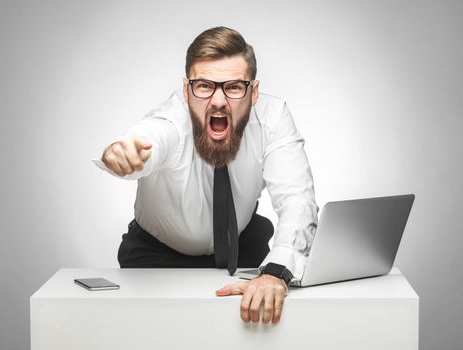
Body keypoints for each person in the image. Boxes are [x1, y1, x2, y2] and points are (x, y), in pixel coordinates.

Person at [96, 26, 318, 324]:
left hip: (242, 249)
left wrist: (277, 271)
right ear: (187, 91)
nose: (217, 101)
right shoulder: (173, 118)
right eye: (204, 86)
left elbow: (296, 198)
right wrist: (123, 153)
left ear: (253, 93)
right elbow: (154, 136)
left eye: (234, 87)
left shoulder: (272, 117)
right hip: (156, 257)